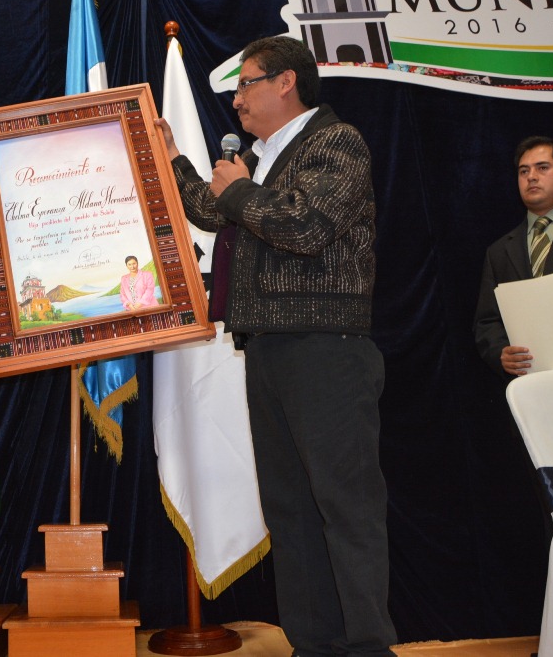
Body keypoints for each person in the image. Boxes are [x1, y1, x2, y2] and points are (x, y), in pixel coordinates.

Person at [157, 36, 396, 657]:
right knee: (289, 511)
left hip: (326, 351)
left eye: (246, 84)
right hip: (267, 349)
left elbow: (305, 225)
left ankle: (367, 646)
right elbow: (218, 212)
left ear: (286, 82)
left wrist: (237, 189)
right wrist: (175, 159)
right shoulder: (263, 159)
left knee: (346, 508)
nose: (236, 99)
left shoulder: (335, 143)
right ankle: (314, 645)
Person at [474, 136, 553, 377]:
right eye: (524, 171)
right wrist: (501, 352)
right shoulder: (500, 251)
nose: (531, 176)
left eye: (542, 167)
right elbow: (487, 322)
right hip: (532, 386)